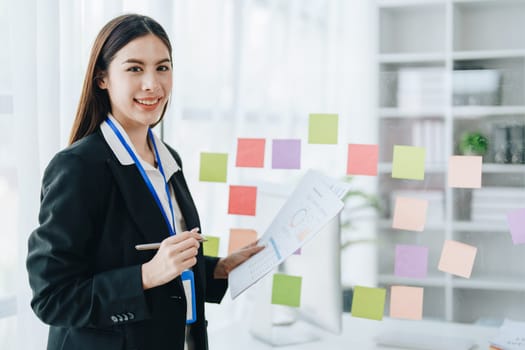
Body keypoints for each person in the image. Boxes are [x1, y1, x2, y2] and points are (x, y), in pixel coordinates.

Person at [26, 14, 263, 350]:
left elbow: (162, 266)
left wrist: (219, 269)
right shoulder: (78, 167)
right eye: (135, 68)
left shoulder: (169, 159)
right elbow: (52, 297)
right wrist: (147, 276)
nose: (152, 84)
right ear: (102, 79)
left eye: (162, 68)